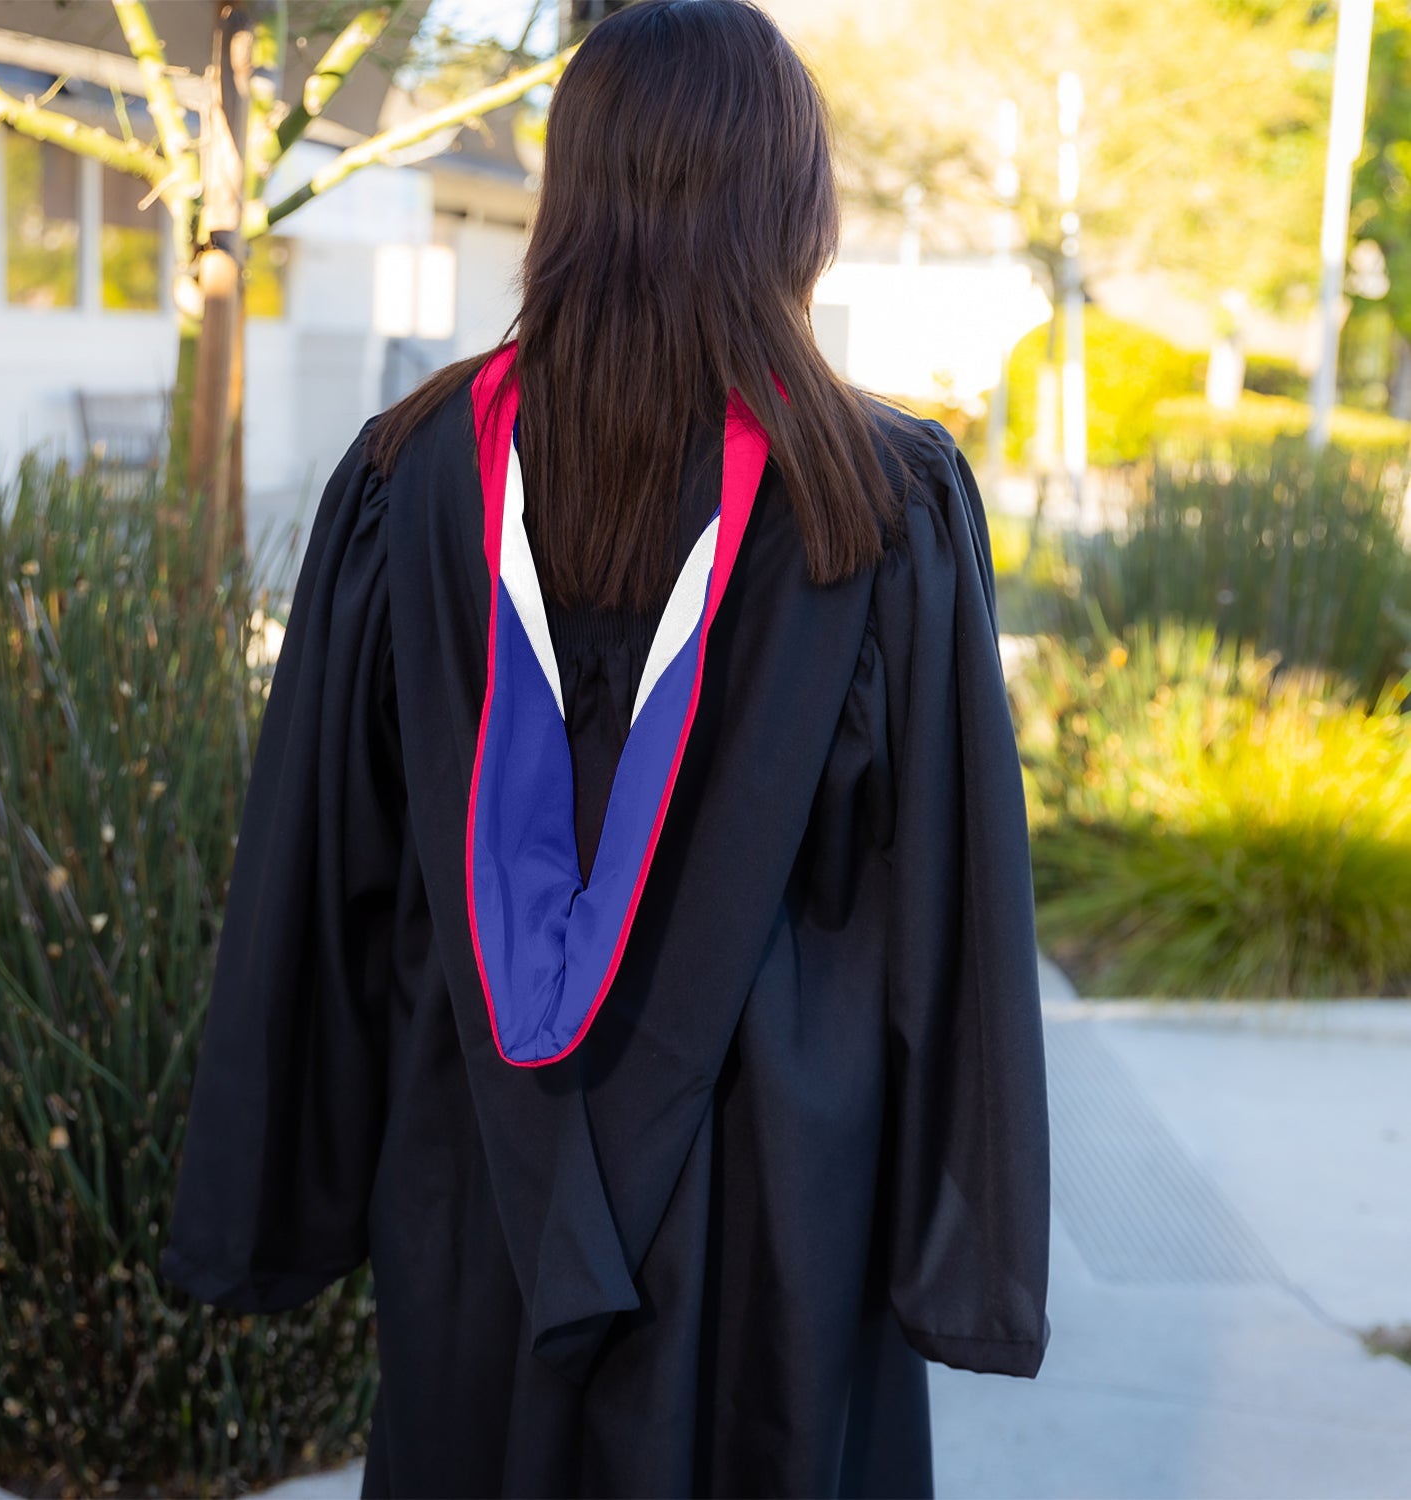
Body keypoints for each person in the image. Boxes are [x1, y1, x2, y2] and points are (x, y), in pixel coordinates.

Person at [158, 2, 1052, 1496]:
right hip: (786, 1218)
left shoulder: (411, 479)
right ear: (796, 204)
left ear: (568, 191)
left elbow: (323, 875)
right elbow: (951, 908)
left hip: (479, 1194)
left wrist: (273, 1199)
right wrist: (961, 1245)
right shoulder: (880, 505)